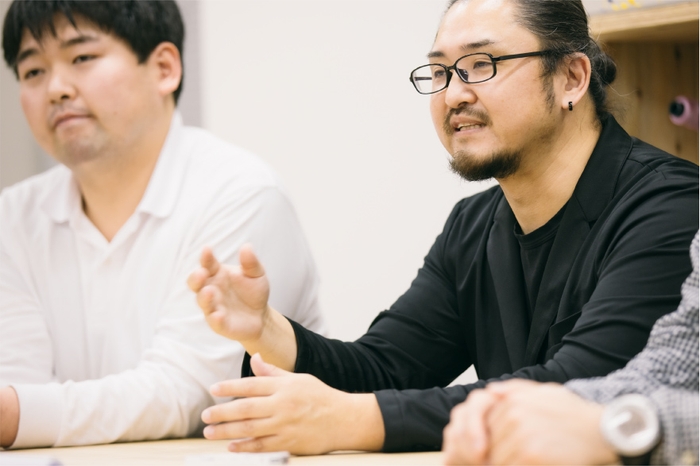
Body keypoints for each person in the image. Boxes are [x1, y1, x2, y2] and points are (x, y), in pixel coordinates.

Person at [187, 0, 699, 454]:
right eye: (440, 72)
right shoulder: (472, 225)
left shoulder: (671, 206)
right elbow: (385, 369)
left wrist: (353, 420)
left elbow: (585, 388)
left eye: (481, 64)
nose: (453, 95)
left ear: (571, 77)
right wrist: (266, 329)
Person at [0, 0, 325, 449]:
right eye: (33, 70)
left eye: (82, 57)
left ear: (164, 69)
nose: (55, 88)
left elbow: (191, 392)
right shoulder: (12, 216)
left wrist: (18, 413)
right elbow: (16, 382)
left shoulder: (240, 192)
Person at [442, 231, 699, 465]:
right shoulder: (468, 226)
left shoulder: (660, 210)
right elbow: (673, 366)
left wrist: (624, 427)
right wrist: (516, 407)